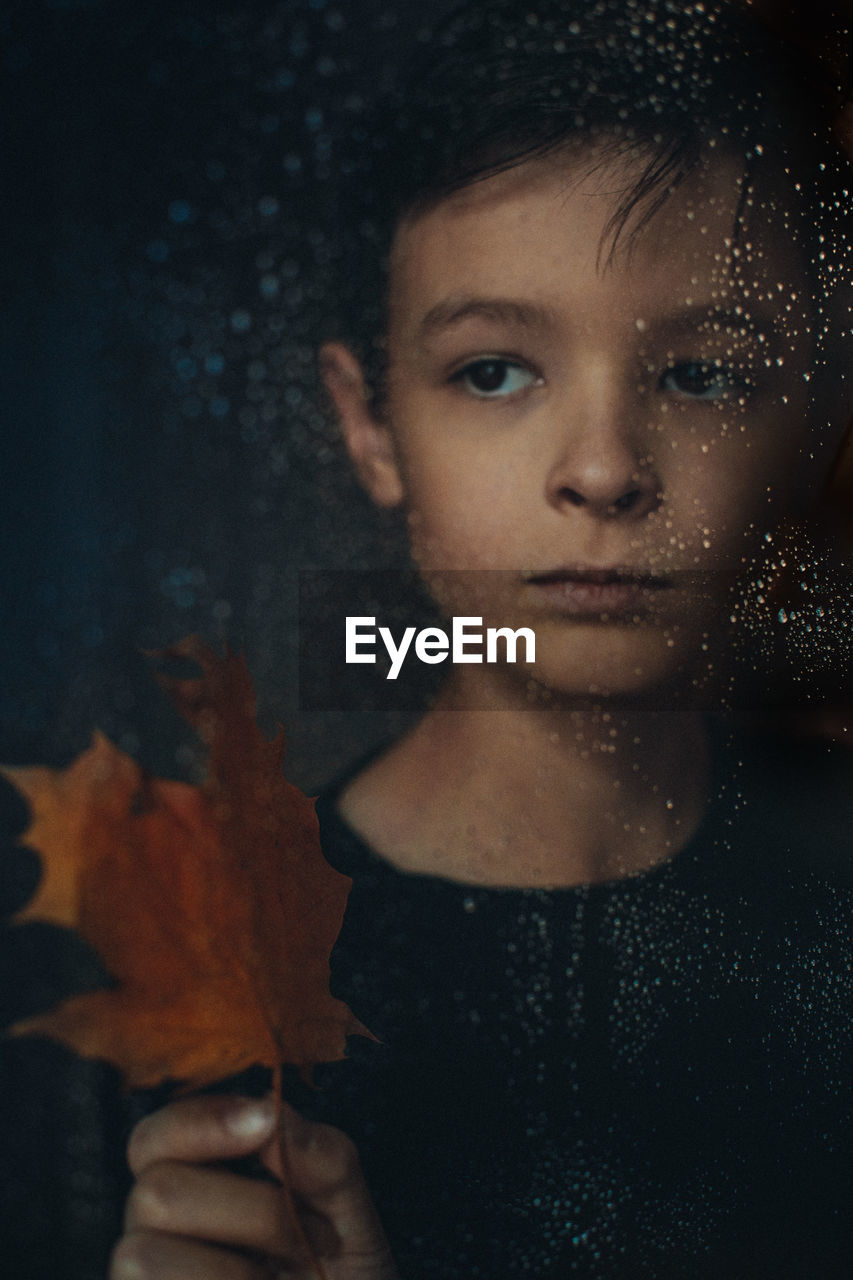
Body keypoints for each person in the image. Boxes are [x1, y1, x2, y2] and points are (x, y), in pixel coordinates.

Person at [109, 1, 853, 1276]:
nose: (605, 470)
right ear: (370, 425)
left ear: (814, 421)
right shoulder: (220, 963)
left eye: (702, 375)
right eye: (495, 370)